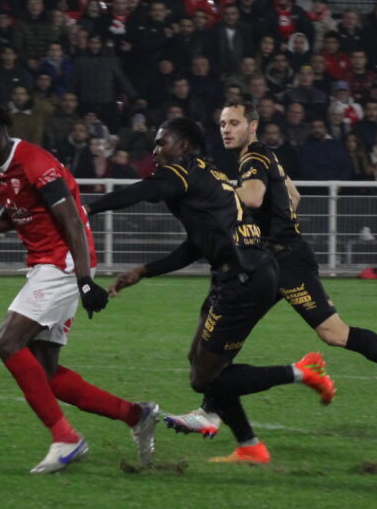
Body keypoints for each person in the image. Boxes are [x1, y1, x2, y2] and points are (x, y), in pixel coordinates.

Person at [89, 117, 336, 467]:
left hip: (244, 277)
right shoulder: (209, 175)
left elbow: (141, 192)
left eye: (163, 143)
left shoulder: (182, 172)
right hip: (242, 273)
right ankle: (249, 444)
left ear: (184, 147)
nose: (156, 150)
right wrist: (143, 272)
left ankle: (303, 372)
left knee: (205, 377)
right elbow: (195, 246)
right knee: (201, 361)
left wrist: (87, 209)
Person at [0, 103, 163, 473]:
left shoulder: (34, 162)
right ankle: (136, 415)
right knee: (44, 372)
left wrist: (84, 281)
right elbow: (20, 211)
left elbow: (73, 221)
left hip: (62, 264)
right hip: (45, 265)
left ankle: (65, 438)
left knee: (7, 342)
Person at [214, 101, 377, 434]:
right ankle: (211, 409)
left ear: (253, 126)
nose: (226, 130)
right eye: (222, 124)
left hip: (286, 261)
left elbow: (253, 197)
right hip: (270, 260)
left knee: (334, 334)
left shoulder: (254, 157)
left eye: (233, 123)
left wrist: (217, 187)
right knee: (230, 328)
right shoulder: (266, 155)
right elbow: (295, 196)